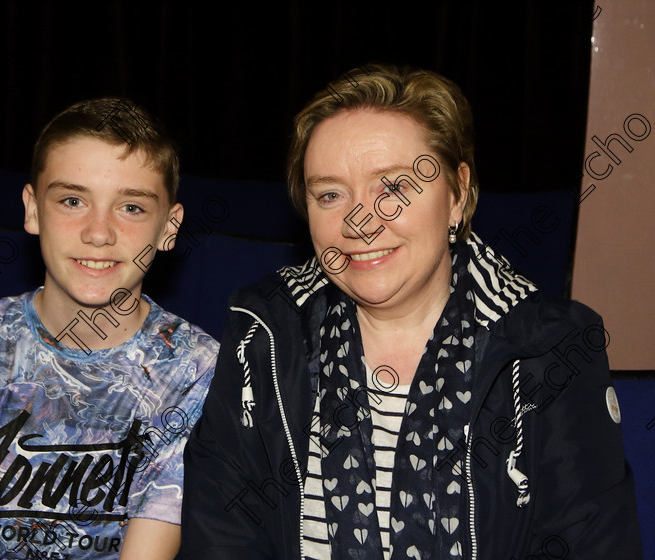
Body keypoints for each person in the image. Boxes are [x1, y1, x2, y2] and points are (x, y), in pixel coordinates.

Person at [179, 64, 642, 559]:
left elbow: (591, 544)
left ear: (457, 196)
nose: (359, 221)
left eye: (394, 187)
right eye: (330, 194)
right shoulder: (264, 329)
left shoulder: (550, 347)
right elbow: (221, 538)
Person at [0, 98, 218, 560]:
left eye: (132, 208)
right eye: (73, 201)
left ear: (169, 227)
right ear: (33, 210)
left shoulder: (194, 367)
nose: (98, 232)